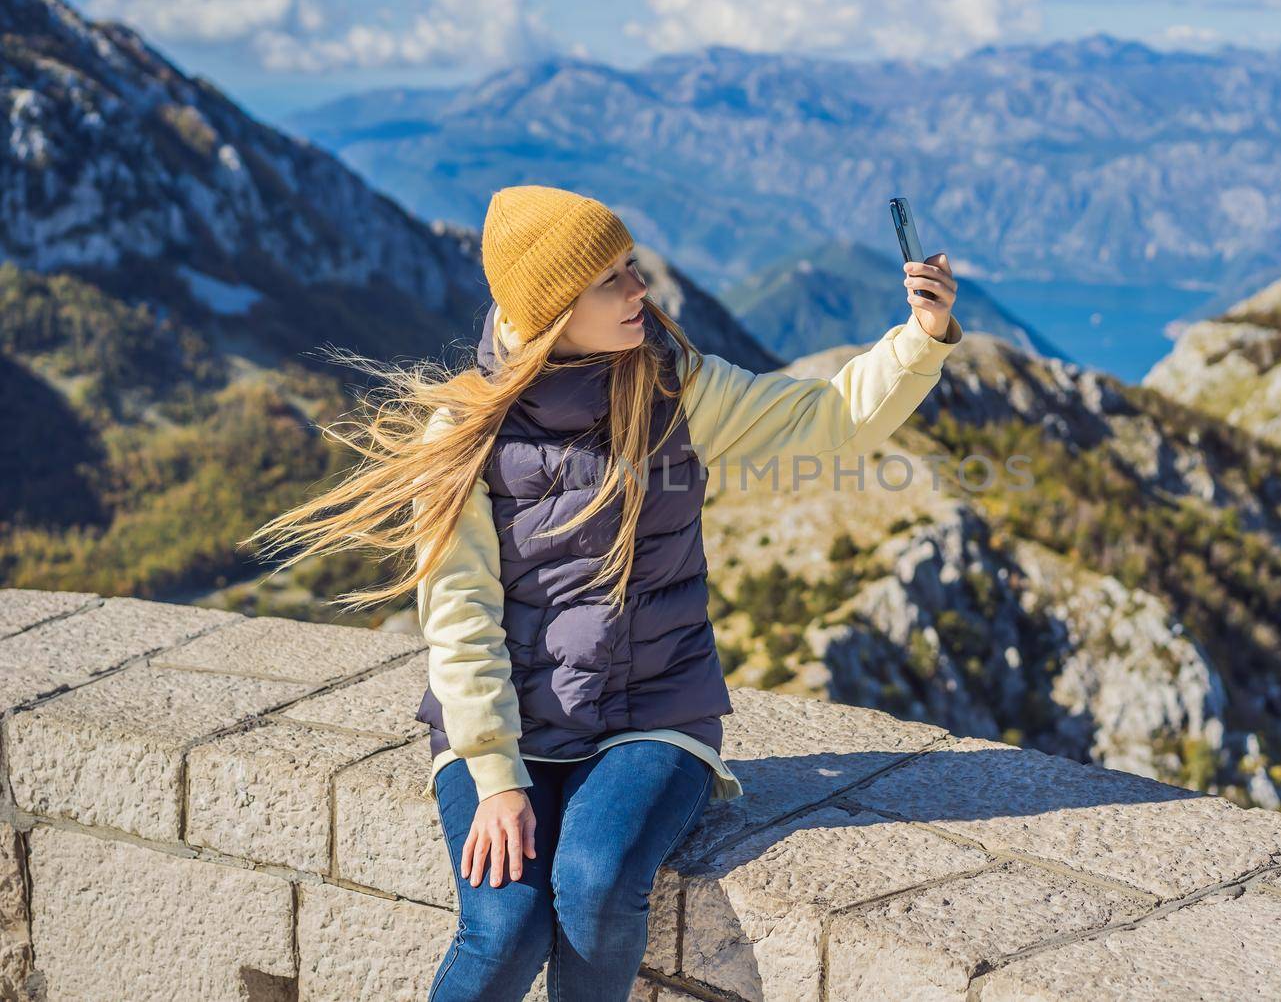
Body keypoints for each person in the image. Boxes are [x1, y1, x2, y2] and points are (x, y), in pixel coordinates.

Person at [245, 184, 961, 1000]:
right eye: (610, 279)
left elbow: (827, 416)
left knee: (594, 885)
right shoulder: (465, 433)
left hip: (654, 713)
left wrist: (921, 339)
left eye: (630, 266)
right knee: (506, 926)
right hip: (502, 726)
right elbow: (460, 617)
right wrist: (497, 777)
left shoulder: (676, 388)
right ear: (552, 309)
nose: (639, 290)